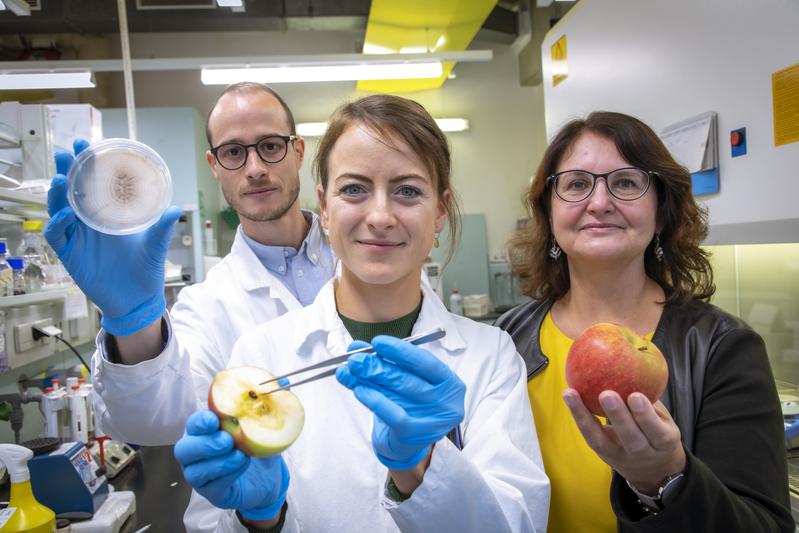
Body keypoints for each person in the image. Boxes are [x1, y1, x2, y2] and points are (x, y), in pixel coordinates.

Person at [173, 94, 550, 532]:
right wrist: (259, 518)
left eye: (407, 191)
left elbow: (518, 523)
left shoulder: (491, 356)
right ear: (325, 207)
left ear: (441, 210)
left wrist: (423, 466)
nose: (380, 215)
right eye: (354, 189)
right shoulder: (260, 354)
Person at [495, 111, 793, 532]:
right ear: (549, 210)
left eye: (626, 183)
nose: (599, 202)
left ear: (661, 211)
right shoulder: (505, 341)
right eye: (577, 184)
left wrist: (666, 479)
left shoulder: (721, 347)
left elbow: (764, 526)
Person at [44, 82, 336, 445]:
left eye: (271, 146)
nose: (255, 168)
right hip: (269, 500)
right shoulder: (207, 305)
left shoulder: (365, 261)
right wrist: (132, 320)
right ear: (214, 165)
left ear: (298, 151)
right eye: (233, 152)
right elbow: (154, 422)